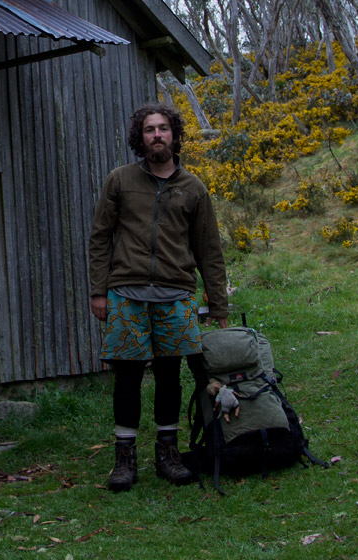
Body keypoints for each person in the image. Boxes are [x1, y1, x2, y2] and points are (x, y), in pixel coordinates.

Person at [88, 102, 228, 492]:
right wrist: (99, 291)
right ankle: (124, 460)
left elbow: (209, 250)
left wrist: (218, 307)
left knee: (170, 376)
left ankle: (168, 454)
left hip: (175, 295)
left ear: (174, 134)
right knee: (127, 377)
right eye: (149, 129)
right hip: (126, 294)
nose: (157, 135)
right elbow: (100, 238)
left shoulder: (193, 188)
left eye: (163, 128)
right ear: (140, 137)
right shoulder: (119, 180)